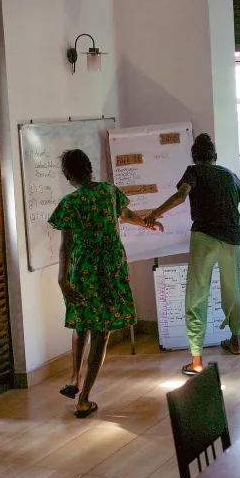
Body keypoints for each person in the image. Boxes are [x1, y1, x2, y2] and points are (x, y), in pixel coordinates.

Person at [48, 149, 162, 417]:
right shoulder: (109, 192)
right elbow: (125, 214)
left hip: (83, 267)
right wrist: (147, 224)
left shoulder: (71, 202)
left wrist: (62, 278)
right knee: (102, 330)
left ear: (68, 176)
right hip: (110, 267)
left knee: (82, 320)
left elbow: (66, 247)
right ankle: (84, 399)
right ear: (89, 168)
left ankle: (75, 378)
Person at [145, 133, 240, 376]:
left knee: (197, 294)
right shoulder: (230, 175)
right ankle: (236, 341)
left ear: (195, 157)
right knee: (232, 289)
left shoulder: (193, 172)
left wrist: (156, 212)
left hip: (205, 236)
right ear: (215, 157)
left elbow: (181, 195)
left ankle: (196, 360)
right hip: (232, 237)